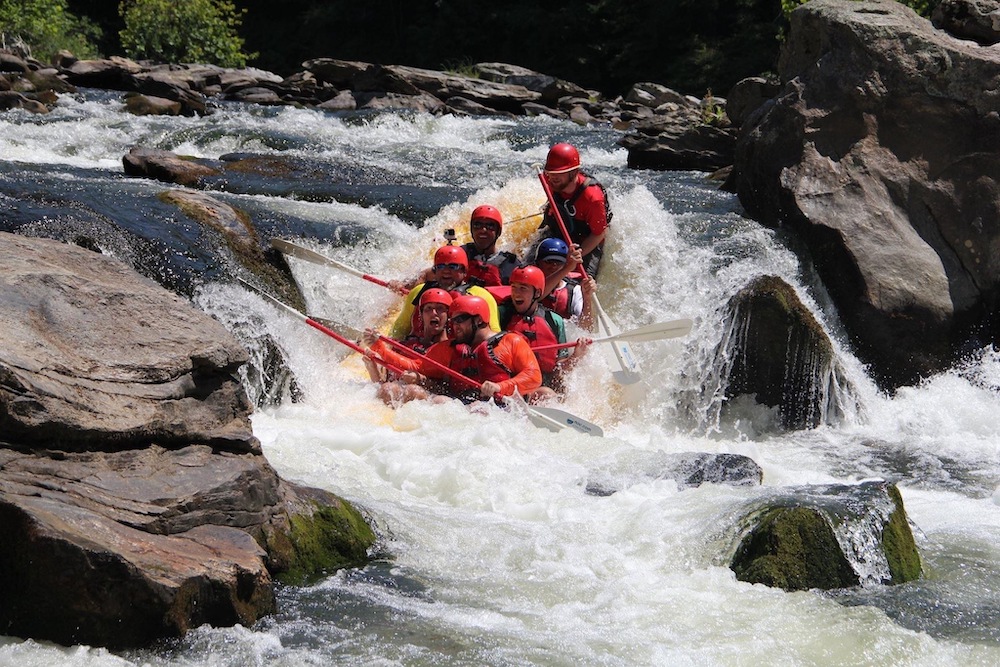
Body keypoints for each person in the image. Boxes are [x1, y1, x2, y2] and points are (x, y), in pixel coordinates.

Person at [365, 295, 541, 403]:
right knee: (439, 401)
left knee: (476, 409)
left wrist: (500, 386)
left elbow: (533, 376)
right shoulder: (448, 348)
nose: (454, 326)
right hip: (461, 407)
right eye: (452, 321)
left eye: (460, 320)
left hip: (499, 409)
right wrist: (379, 347)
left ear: (479, 320)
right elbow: (415, 366)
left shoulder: (510, 341)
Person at [498, 265, 590, 398]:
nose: (516, 293)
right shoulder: (502, 314)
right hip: (510, 384)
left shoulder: (554, 320)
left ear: (537, 293)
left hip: (543, 384)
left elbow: (560, 372)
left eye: (523, 288)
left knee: (550, 392)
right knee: (545, 394)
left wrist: (576, 356)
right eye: (514, 288)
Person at [389, 245, 500, 340]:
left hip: (456, 356)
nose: (446, 271)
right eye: (441, 266)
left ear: (464, 271)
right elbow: (400, 328)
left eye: (453, 266)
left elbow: (493, 334)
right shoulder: (419, 291)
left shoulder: (480, 296)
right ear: (434, 270)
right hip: (418, 349)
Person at [535, 142, 612, 278]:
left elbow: (599, 234)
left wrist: (576, 256)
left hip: (586, 241)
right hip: (559, 229)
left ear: (574, 172)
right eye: (551, 173)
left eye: (559, 173)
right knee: (532, 270)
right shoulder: (550, 180)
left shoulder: (593, 198)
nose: (553, 178)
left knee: (581, 284)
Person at [363, 287, 452, 383]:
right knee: (389, 388)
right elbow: (382, 383)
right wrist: (373, 368)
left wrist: (379, 347)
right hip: (394, 392)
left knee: (412, 391)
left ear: (449, 315)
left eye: (440, 308)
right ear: (421, 315)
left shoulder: (448, 348)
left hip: (424, 395)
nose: (434, 313)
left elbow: (417, 366)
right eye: (428, 308)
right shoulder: (408, 344)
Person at [533, 237, 597, 332]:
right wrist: (566, 268)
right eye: (549, 262)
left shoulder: (575, 290)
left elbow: (586, 329)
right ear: (538, 264)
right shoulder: (528, 286)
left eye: (558, 262)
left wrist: (587, 297)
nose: (554, 266)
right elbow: (537, 296)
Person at [460, 205, 519, 285]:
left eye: (490, 226)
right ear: (471, 229)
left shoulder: (510, 264)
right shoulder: (460, 255)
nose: (483, 230)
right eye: (477, 225)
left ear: (498, 232)